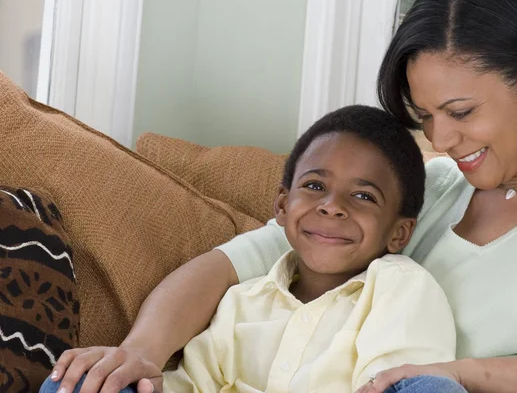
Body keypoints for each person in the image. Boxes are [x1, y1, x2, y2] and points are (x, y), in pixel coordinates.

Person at [46, 0, 517, 392]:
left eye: (461, 112)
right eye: (425, 115)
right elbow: (230, 264)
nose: (441, 138)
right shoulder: (424, 190)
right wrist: (141, 352)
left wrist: (466, 375)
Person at [42, 106, 460, 393]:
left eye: (364, 197)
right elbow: (193, 384)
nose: (332, 206)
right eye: (315, 186)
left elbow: (395, 381)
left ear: (399, 233)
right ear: (281, 205)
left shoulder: (399, 288)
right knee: (81, 379)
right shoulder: (242, 301)